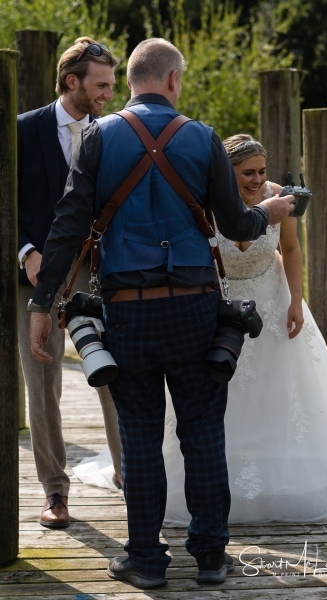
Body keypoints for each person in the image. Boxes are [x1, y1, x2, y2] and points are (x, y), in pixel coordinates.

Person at [27, 39, 295, 589]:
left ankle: (146, 561)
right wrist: (267, 210)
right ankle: (211, 558)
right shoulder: (202, 139)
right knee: (202, 433)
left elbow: (68, 226)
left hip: (127, 313)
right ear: (173, 80)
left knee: (142, 435)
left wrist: (41, 303)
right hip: (197, 309)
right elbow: (239, 230)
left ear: (129, 81)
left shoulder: (98, 138)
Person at [162, 134, 327, 525]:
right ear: (225, 173)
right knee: (222, 394)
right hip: (220, 306)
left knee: (281, 390)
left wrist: (295, 301)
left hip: (272, 298)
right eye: (247, 173)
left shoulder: (280, 196)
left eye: (262, 171)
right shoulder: (203, 200)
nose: (257, 179)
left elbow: (292, 249)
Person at [18, 37, 123, 529]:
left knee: (113, 374)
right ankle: (54, 492)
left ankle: (130, 474)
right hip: (33, 274)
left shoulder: (113, 133)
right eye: (101, 85)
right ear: (71, 81)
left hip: (96, 272)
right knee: (43, 384)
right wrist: (26, 251)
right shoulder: (22, 131)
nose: (108, 94)